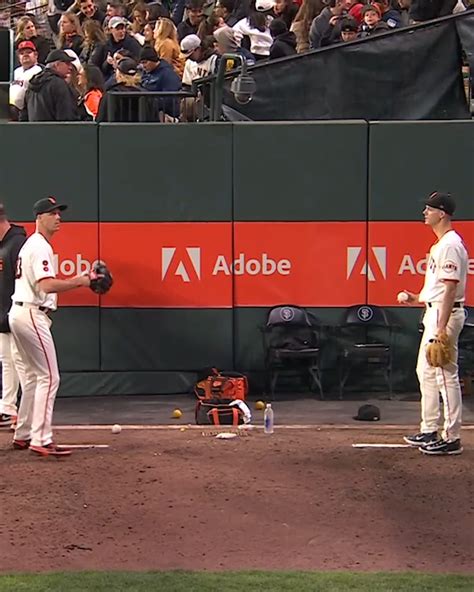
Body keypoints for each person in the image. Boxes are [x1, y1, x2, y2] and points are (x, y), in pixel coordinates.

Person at [9, 197, 92, 457]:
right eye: (52, 213)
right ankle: (41, 439)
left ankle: (23, 434)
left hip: (20, 312)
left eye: (59, 213)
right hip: (32, 313)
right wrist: (80, 281)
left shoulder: (31, 244)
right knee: (49, 376)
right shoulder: (39, 246)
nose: (58, 217)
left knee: (34, 377)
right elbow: (46, 286)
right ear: (39, 218)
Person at [401, 192, 468, 456]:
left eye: (429, 209)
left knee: (444, 374)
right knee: (426, 372)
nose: (424, 213)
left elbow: (451, 289)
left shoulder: (451, 244)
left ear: (442, 213)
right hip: (436, 313)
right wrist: (417, 298)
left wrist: (441, 327)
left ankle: (451, 437)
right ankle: (429, 428)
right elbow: (439, 289)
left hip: (445, 316)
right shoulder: (440, 245)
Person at [0, 204, 27, 429]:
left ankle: (30, 413)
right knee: (7, 360)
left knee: (22, 364)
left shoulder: (17, 242)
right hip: (3, 313)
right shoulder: (3, 245)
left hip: (18, 311)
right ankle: (8, 408)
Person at [21, 49, 79, 121]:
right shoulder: (59, 84)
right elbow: (66, 117)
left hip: (33, 131)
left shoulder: (32, 84)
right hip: (54, 131)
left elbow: (24, 116)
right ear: (57, 65)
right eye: (67, 63)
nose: (70, 67)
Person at [9, 41, 43, 120]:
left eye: (29, 52)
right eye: (22, 53)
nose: (25, 54)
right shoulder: (16, 71)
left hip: (27, 113)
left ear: (36, 55)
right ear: (18, 57)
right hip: (11, 111)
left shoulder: (39, 71)